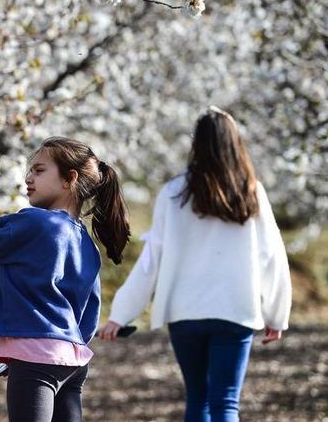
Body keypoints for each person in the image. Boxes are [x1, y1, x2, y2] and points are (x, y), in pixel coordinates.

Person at [97, 106, 292, 422]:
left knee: (198, 400)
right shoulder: (251, 192)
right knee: (225, 402)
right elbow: (272, 255)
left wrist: (121, 313)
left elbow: (151, 261)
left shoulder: (175, 192)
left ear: (196, 144)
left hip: (185, 312)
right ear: (234, 143)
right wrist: (276, 314)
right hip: (236, 310)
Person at [0, 137, 130, 422]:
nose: (28, 178)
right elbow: (89, 313)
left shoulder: (34, 223)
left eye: (39, 170)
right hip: (72, 360)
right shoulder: (87, 244)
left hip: (36, 358)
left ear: (69, 179)